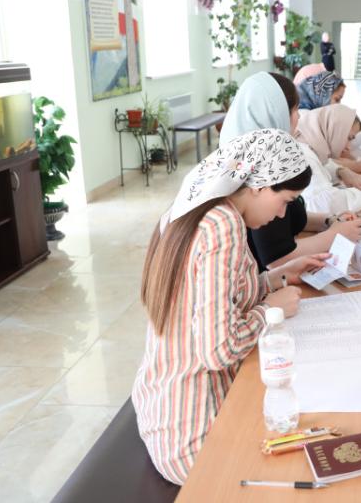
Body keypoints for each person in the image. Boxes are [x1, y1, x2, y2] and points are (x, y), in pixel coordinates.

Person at [132, 129, 331, 485]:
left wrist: (281, 276)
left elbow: (221, 296)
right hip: (196, 435)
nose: (282, 214)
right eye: (285, 201)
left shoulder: (198, 206)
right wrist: (269, 311)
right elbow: (218, 350)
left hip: (164, 407)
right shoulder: (222, 224)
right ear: (258, 186)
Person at [218, 72, 361, 271]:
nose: (300, 116)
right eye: (295, 110)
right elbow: (276, 257)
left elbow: (288, 215)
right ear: (275, 113)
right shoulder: (256, 168)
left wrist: (329, 221)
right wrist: (336, 236)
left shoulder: (271, 154)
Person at [296, 105, 361, 213]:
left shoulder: (312, 145)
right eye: (348, 138)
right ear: (334, 131)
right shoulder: (304, 155)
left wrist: (340, 171)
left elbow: (321, 165)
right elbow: (326, 203)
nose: (349, 147)